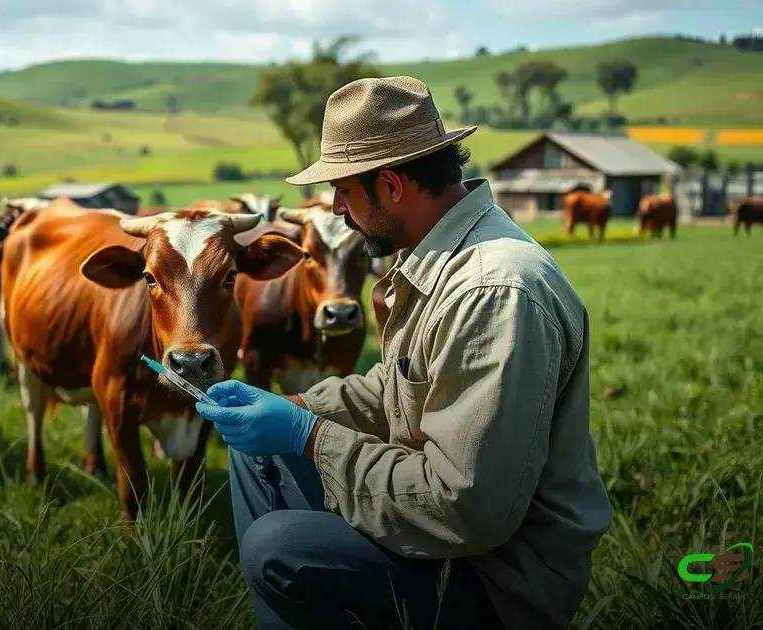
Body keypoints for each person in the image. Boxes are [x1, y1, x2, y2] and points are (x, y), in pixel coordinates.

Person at [194, 76, 612, 630]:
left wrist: (307, 435)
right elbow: (397, 386)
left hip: (491, 576)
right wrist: (295, 405)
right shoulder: (439, 256)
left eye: (345, 190)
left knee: (279, 545)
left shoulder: (492, 293)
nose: (338, 207)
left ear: (391, 185)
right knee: (255, 452)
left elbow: (464, 510)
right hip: (456, 534)